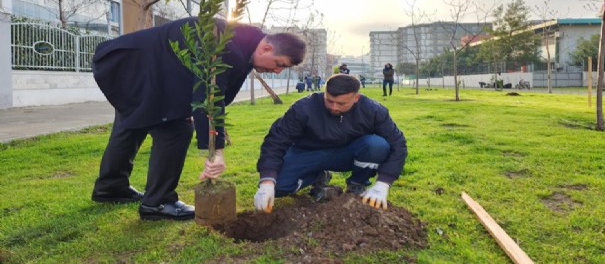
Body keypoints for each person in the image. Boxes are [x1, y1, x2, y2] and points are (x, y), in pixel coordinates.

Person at [90, 17, 306, 221]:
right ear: (266, 48)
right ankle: (158, 202)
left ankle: (111, 187)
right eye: (279, 64)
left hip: (134, 68)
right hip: (132, 66)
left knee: (131, 122)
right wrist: (216, 151)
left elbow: (214, 91)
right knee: (176, 131)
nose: (277, 71)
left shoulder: (245, 41)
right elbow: (210, 96)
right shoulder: (227, 47)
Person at [253, 74, 407, 212]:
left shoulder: (373, 111)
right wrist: (267, 180)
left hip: (346, 154)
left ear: (356, 98)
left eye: (341, 104)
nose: (334, 107)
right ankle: (317, 176)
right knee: (278, 186)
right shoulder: (303, 108)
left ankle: (357, 185)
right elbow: (276, 141)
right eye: (329, 100)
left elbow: (398, 144)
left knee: (377, 145)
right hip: (307, 153)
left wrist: (383, 183)